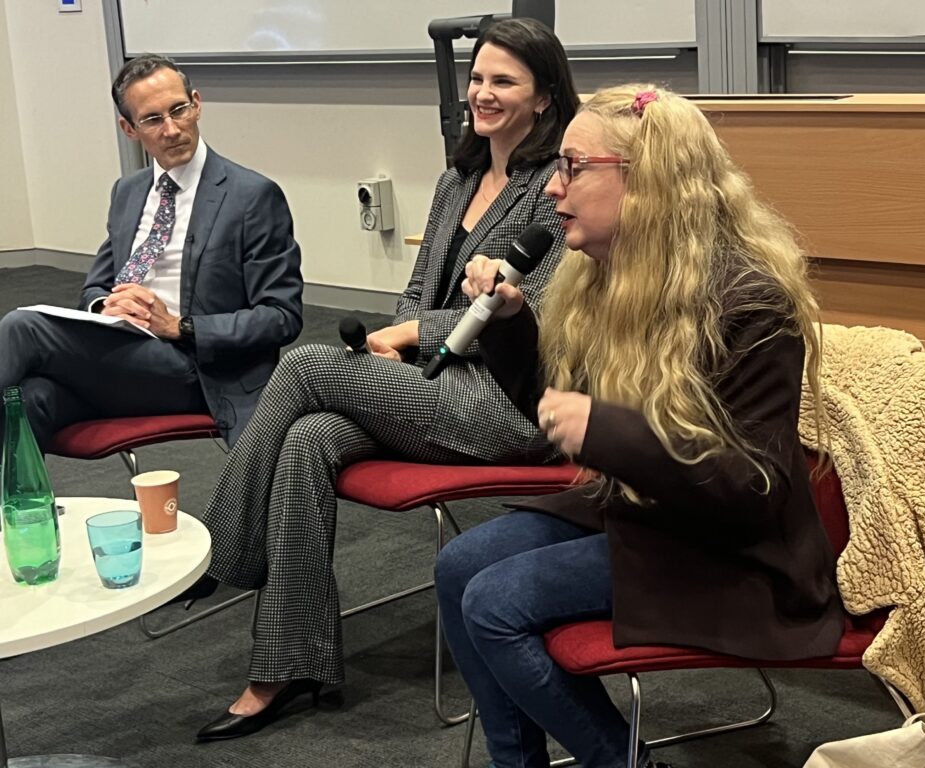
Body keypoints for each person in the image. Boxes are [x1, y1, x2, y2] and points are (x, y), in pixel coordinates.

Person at [435, 85, 847, 768]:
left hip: (730, 548)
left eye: (572, 167)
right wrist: (510, 330)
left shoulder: (750, 302)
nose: (550, 190)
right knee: (458, 568)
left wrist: (605, 428)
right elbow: (555, 415)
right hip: (645, 509)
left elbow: (751, 487)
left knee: (494, 603)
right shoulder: (606, 277)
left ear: (644, 181)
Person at [192, 18, 579, 742]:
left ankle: (219, 551)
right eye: (477, 79)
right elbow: (413, 292)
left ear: (546, 99)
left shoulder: (552, 191)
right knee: (309, 437)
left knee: (305, 363)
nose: (482, 94)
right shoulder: (455, 177)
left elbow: (542, 315)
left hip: (506, 402)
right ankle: (287, 664)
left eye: (504, 82)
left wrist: (410, 334)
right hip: (429, 385)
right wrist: (401, 337)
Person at [0, 54, 303, 450]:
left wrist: (179, 326)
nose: (172, 129)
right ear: (129, 128)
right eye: (153, 119)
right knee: (30, 398)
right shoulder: (128, 192)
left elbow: (281, 317)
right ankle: (18, 511)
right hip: (124, 354)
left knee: (24, 327)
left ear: (197, 103)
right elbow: (96, 289)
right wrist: (106, 308)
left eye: (179, 110)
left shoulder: (251, 196)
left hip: (196, 369)